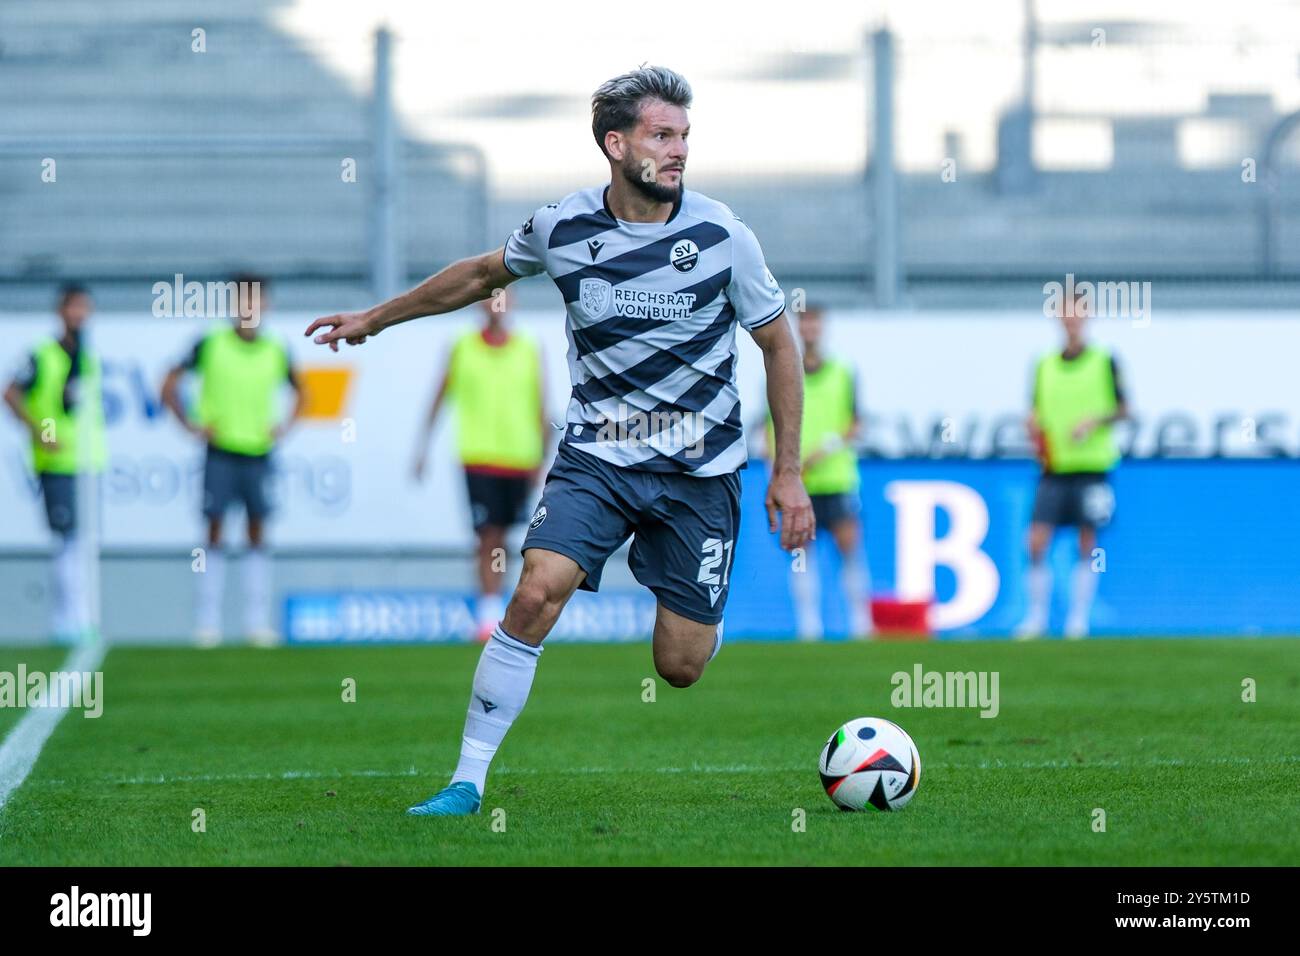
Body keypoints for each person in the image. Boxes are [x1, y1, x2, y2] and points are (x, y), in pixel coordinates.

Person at [306, 65, 814, 816]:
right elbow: (480, 275)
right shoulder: (563, 227)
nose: (678, 150)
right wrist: (375, 319)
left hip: (698, 474)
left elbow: (780, 345)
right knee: (537, 588)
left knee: (680, 665)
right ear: (616, 143)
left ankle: (692, 598)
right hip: (597, 459)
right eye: (661, 135)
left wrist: (790, 471)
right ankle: (466, 782)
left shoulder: (721, 236)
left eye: (684, 136)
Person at [161, 274, 303, 646]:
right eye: (243, 301)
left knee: (258, 532)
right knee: (214, 531)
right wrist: (189, 423)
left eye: (256, 301)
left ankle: (256, 622)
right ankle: (207, 622)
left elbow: (301, 391)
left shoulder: (276, 348)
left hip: (258, 451)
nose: (249, 309)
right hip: (220, 450)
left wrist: (284, 426)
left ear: (266, 305)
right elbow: (169, 382)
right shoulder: (210, 343)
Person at [412, 292, 548, 641]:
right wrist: (422, 447)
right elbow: (439, 397)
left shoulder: (529, 349)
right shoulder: (463, 347)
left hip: (519, 457)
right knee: (488, 535)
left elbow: (540, 407)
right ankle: (488, 615)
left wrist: (542, 458)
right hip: (479, 457)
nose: (497, 307)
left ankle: (503, 609)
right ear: (480, 305)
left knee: (509, 538)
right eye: (491, 300)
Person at [1016, 291, 1129, 639]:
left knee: (1088, 541)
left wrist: (1093, 421)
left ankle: (1078, 619)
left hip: (1092, 466)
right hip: (1054, 467)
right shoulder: (1044, 365)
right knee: (1036, 540)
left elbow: (1123, 409)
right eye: (1066, 313)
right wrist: (1033, 429)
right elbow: (1035, 411)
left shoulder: (1104, 360)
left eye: (1078, 312)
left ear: (1087, 316)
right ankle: (1036, 617)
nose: (1071, 320)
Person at [3, 283, 105, 643]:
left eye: (84, 308)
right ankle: (66, 620)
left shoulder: (88, 356)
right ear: (61, 311)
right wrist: (39, 431)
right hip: (56, 459)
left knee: (83, 541)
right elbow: (11, 392)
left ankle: (83, 615)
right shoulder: (42, 354)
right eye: (73, 307)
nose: (79, 315)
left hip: (88, 461)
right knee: (65, 539)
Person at [767, 305, 872, 639]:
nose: (810, 329)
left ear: (822, 328)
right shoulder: (783, 372)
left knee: (849, 549)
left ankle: (860, 624)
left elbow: (856, 423)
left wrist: (828, 446)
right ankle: (809, 627)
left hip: (837, 479)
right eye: (805, 323)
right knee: (801, 553)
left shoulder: (843, 372)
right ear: (799, 328)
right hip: (801, 483)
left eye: (815, 323)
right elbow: (769, 425)